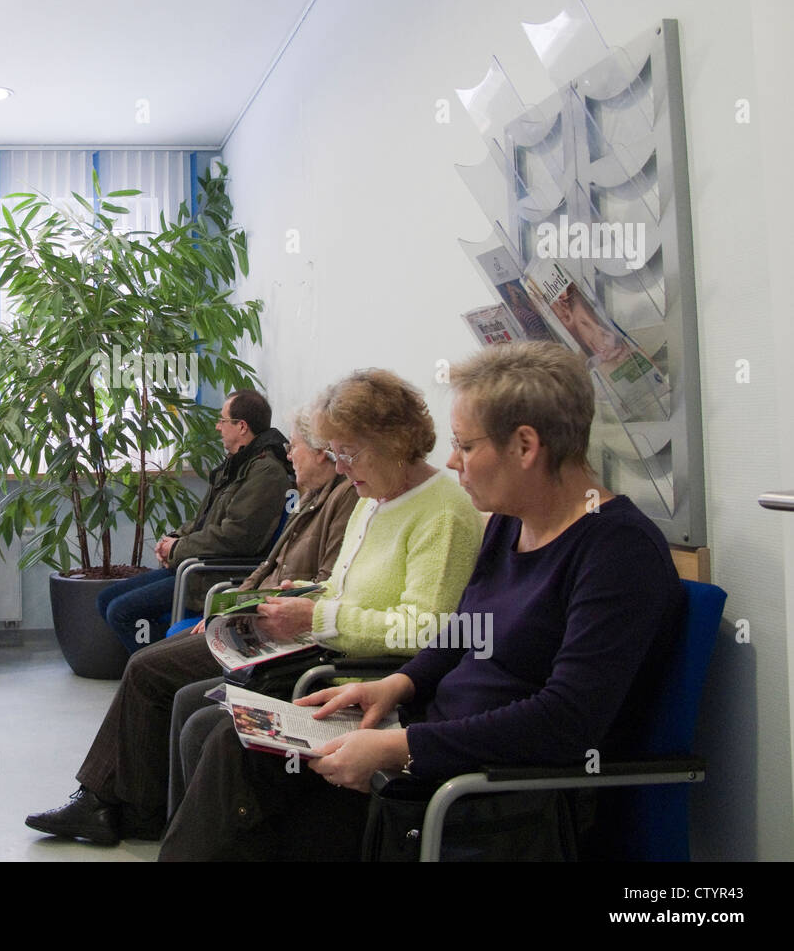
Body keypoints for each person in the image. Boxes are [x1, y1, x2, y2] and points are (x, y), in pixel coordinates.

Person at [159, 342, 682, 861]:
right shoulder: (511, 525)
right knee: (236, 749)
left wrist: (402, 747)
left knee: (246, 794)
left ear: (525, 446)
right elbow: (461, 634)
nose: (452, 461)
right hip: (431, 753)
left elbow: (565, 722)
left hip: (486, 796)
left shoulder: (618, 552)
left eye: (466, 446)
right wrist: (396, 685)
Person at [26, 407, 357, 844]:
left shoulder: (330, 495)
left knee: (145, 668)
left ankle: (112, 804)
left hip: (268, 628)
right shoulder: (305, 493)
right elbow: (266, 566)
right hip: (243, 610)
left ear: (322, 452)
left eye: (296, 446)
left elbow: (304, 581)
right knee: (141, 650)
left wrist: (223, 597)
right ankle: (116, 803)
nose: (291, 454)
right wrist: (221, 603)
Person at [95, 389, 292, 654]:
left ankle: (160, 665)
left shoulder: (265, 472)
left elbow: (236, 536)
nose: (218, 426)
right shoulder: (236, 464)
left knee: (121, 611)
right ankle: (156, 659)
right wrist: (174, 539)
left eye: (223, 420)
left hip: (213, 576)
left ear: (242, 426)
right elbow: (203, 520)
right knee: (105, 599)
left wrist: (178, 549)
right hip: (195, 566)